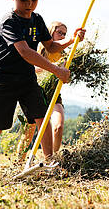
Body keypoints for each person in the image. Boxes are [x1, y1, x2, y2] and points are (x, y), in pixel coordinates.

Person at [0, 0, 85, 187]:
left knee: (42, 119)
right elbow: (26, 52)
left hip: (27, 80)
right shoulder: (9, 22)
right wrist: (57, 71)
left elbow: (51, 47)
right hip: (3, 80)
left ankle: (49, 164)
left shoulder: (37, 20)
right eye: (23, 0)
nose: (29, 5)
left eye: (34, 0)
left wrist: (72, 40)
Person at [16, 21, 70, 160]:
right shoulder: (38, 49)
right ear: (51, 32)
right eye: (60, 33)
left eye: (65, 34)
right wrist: (53, 67)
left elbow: (65, 78)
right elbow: (30, 68)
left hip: (53, 93)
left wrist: (65, 74)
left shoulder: (65, 55)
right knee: (29, 131)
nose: (63, 36)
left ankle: (53, 159)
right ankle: (18, 161)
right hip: (35, 90)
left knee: (58, 126)